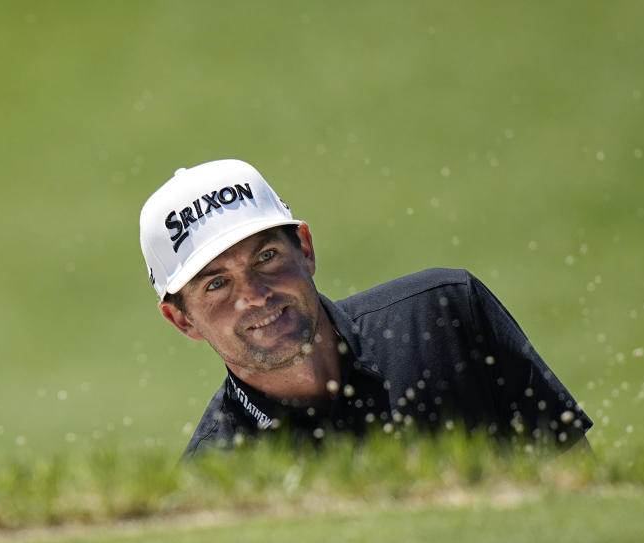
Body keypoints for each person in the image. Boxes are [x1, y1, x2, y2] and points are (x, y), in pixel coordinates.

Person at [139, 159, 593, 457]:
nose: (255, 295)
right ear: (181, 319)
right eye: (217, 284)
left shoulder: (445, 317)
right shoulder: (217, 476)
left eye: (266, 257)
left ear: (305, 249)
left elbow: (579, 482)